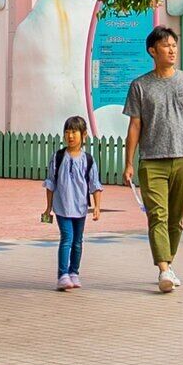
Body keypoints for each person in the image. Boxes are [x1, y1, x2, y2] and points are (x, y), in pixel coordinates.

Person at [123, 28, 183, 292]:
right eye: (166, 46)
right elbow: (135, 126)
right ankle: (163, 269)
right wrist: (128, 162)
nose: (172, 50)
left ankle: (168, 264)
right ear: (153, 51)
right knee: (157, 216)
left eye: (174, 45)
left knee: (176, 219)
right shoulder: (140, 85)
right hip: (152, 160)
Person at [43, 115, 101, 292]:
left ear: (84, 135)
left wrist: (97, 207)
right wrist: (48, 207)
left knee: (78, 241)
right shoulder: (58, 157)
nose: (70, 136)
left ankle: (74, 272)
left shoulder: (88, 160)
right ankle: (62, 275)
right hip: (62, 207)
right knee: (67, 238)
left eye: (74, 132)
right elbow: (50, 183)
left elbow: (95, 185)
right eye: (67, 132)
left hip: (81, 208)